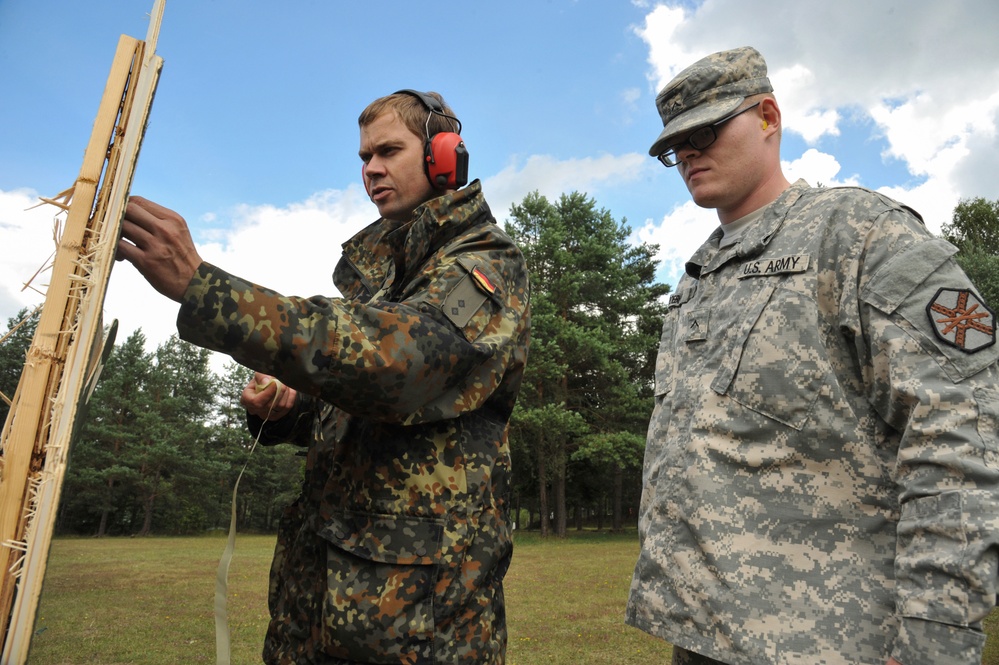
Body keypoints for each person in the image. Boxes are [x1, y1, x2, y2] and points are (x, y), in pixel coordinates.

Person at [117, 89, 531, 664]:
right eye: (364, 158)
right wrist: (295, 407)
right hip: (327, 606)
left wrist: (202, 286)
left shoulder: (483, 267)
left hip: (418, 628)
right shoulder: (387, 279)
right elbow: (364, 400)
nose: (372, 170)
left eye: (388, 150)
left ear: (444, 155)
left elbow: (400, 364)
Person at [626, 46, 999, 665]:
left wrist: (935, 633)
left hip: (830, 641)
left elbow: (963, 427)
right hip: (704, 636)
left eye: (703, 132)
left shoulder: (858, 234)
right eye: (674, 146)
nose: (687, 154)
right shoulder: (698, 276)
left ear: (768, 116)